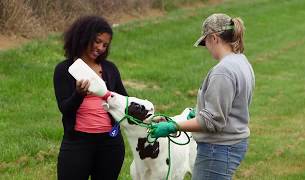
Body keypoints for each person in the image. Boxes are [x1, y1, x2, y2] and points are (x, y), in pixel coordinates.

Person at [150, 13, 255, 180]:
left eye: (205, 42)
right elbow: (229, 105)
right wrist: (200, 111)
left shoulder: (223, 71)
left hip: (218, 149)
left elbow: (212, 121)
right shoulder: (242, 62)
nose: (206, 47)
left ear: (213, 38)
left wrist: (173, 126)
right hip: (232, 145)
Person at [53, 15, 127, 180]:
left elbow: (124, 102)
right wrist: (79, 94)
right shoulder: (65, 69)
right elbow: (65, 108)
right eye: (97, 41)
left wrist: (149, 117)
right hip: (77, 143)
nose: (100, 47)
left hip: (110, 143)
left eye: (105, 45)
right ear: (83, 37)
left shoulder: (110, 69)